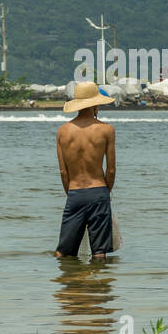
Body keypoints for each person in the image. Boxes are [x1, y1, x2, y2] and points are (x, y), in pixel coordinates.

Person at [55, 82, 116, 259]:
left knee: (63, 252)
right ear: (95, 104)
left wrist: (71, 193)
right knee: (99, 252)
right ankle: (99, 282)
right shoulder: (106, 130)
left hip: (74, 193)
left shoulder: (63, 132)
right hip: (98, 191)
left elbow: (63, 172)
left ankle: (68, 281)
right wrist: (105, 192)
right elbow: (111, 170)